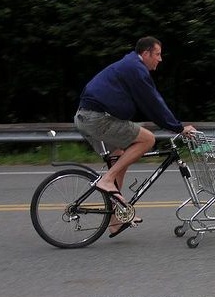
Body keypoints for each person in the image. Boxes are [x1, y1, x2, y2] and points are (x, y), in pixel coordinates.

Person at [74, 36, 196, 238]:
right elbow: (153, 103)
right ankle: (107, 180)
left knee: (120, 158)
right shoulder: (136, 69)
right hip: (96, 118)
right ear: (146, 53)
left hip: (88, 116)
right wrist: (178, 127)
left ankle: (115, 220)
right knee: (147, 139)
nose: (160, 59)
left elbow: (148, 103)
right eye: (157, 54)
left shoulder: (130, 65)